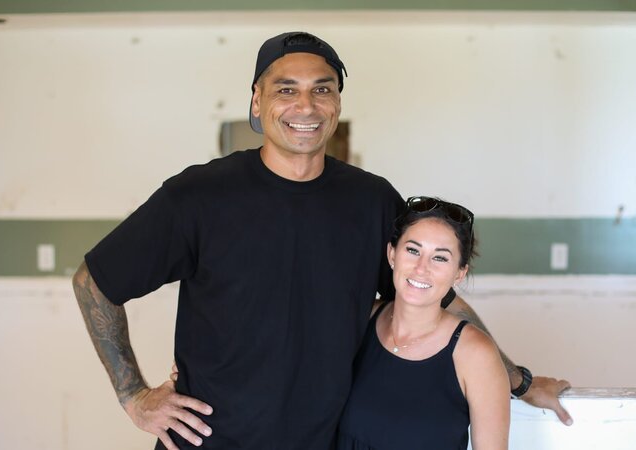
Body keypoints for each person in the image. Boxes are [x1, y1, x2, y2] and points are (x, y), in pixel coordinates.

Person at [73, 31, 571, 450]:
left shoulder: (371, 200)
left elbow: (434, 301)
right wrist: (133, 395)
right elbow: (94, 281)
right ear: (257, 100)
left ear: (337, 103)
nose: (305, 106)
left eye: (322, 89)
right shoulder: (198, 196)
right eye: (285, 89)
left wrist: (518, 381)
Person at [337, 197, 509, 450]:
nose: (421, 268)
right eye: (413, 250)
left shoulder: (475, 354)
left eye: (440, 258)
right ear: (392, 254)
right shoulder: (360, 320)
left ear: (459, 273)